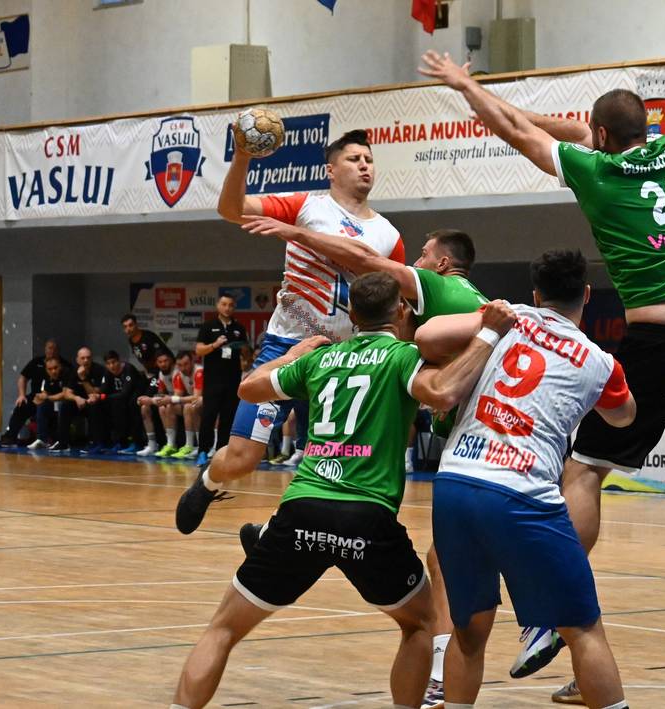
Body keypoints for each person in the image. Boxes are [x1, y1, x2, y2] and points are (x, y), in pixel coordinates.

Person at [420, 51, 665, 689]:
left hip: (657, 344)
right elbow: (577, 129)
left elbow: (520, 134)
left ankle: (547, 617)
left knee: (585, 470)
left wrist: (469, 86)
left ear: (602, 137)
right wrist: (534, 114)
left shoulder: (596, 173)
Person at [169, 273, 517, 709]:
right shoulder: (403, 356)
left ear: (351, 314)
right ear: (401, 312)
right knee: (422, 624)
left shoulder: (322, 358)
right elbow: (444, 392)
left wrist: (289, 355)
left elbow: (249, 388)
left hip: (302, 509)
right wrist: (488, 333)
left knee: (222, 629)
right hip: (366, 518)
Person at [234, 219, 488, 708]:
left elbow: (368, 262)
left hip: (469, 444)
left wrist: (295, 233)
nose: (413, 261)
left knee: (449, 573)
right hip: (472, 434)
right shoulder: (462, 307)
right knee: (442, 561)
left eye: (422, 254)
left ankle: (447, 671)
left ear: (442, 264)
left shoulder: (441, 289)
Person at [416, 250, 636, 709]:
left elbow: (426, 335)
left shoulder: (507, 318)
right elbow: (624, 417)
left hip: (456, 482)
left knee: (469, 630)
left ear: (536, 294)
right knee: (583, 628)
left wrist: (489, 325)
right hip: (522, 491)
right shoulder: (600, 362)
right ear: (587, 295)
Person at [175, 127, 405, 534]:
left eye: (369, 160)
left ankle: (272, 534)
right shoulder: (306, 206)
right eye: (354, 159)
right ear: (330, 170)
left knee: (332, 468)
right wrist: (243, 156)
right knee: (243, 458)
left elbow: (395, 294)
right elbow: (232, 209)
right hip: (286, 347)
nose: (365, 166)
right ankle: (207, 483)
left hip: (341, 360)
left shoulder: (389, 235)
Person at [194, 294, 247, 466]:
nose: (227, 308)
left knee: (227, 418)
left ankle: (221, 453)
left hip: (232, 381)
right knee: (208, 417)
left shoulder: (239, 328)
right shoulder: (208, 326)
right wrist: (214, 345)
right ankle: (202, 451)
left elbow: (245, 352)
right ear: (218, 305)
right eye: (224, 304)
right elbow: (199, 350)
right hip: (212, 381)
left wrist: (244, 351)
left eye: (231, 305)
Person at [0, 339, 71, 447]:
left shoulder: (66, 367)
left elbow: (66, 392)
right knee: (22, 405)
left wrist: (47, 397)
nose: (52, 351)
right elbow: (23, 378)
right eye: (49, 348)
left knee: (49, 406)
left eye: (54, 348)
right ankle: (10, 436)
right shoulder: (36, 362)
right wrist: (22, 395)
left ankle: (50, 439)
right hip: (37, 396)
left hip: (56, 399)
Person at [99, 350, 147, 453]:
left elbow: (126, 393)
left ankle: (137, 443)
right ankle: (116, 442)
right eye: (108, 364)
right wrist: (99, 397)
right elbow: (103, 391)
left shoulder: (128, 369)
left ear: (119, 361)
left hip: (136, 396)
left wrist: (105, 397)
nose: (112, 366)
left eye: (113, 362)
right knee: (105, 406)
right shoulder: (108, 372)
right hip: (120, 400)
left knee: (131, 405)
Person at [26, 357, 75, 453]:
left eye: (55, 368)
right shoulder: (46, 377)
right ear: (46, 369)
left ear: (60, 366)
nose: (53, 371)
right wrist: (40, 397)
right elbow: (44, 393)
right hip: (54, 403)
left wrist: (47, 397)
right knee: (41, 404)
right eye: (50, 369)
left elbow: (65, 394)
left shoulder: (67, 374)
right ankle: (42, 439)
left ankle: (62, 441)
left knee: (63, 405)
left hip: (71, 403)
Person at [135, 350, 177, 456]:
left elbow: (178, 395)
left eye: (165, 361)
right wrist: (147, 399)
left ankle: (171, 444)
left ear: (171, 360)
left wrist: (152, 400)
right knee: (145, 407)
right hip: (170, 401)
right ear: (156, 363)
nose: (163, 364)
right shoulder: (160, 374)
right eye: (160, 362)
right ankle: (152, 444)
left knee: (165, 407)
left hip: (180, 401)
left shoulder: (177, 372)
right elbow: (160, 394)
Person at [67, 346, 107, 453]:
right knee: (66, 405)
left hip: (96, 402)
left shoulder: (99, 370)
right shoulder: (73, 370)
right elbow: (67, 393)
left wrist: (83, 379)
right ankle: (63, 441)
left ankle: (95, 442)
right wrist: (76, 398)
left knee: (94, 406)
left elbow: (95, 393)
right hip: (80, 402)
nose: (86, 360)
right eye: (83, 358)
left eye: (88, 358)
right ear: (77, 360)